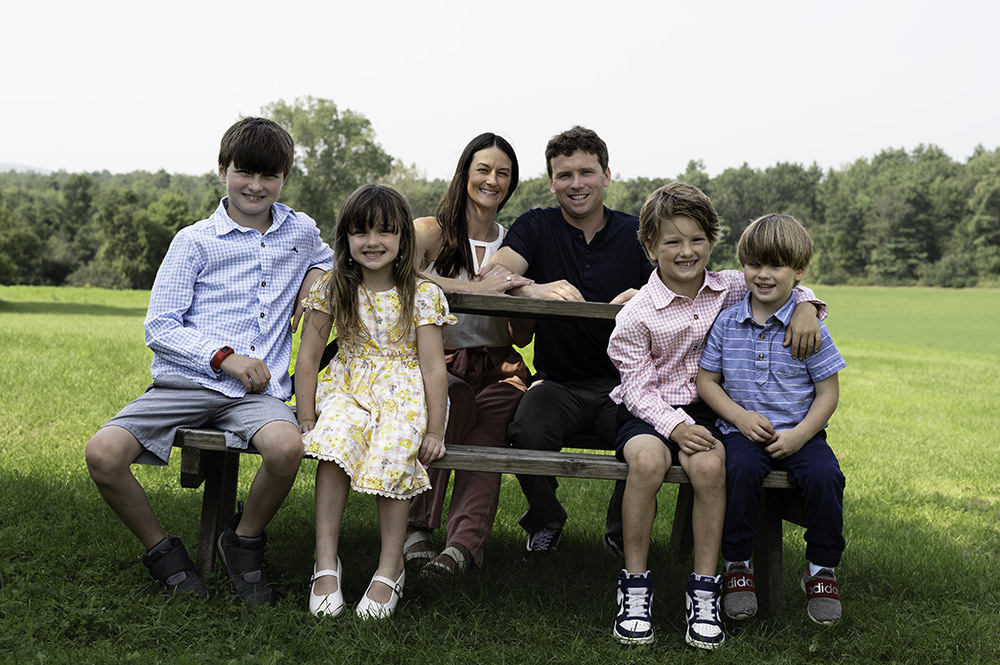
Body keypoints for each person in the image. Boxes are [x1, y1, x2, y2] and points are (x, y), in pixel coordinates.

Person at [85, 117, 333, 605]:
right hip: (188, 383)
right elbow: (160, 326)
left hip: (258, 395)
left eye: (270, 176)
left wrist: (315, 277)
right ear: (223, 170)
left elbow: (327, 258)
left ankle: (242, 541)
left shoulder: (300, 230)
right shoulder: (194, 241)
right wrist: (224, 358)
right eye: (245, 173)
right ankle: (164, 553)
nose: (256, 186)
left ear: (284, 177)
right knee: (103, 455)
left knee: (287, 450)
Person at [607, 184, 826, 649]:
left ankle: (705, 588)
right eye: (672, 241)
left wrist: (808, 304)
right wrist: (676, 427)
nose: (687, 252)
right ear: (649, 247)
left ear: (711, 239)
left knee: (710, 466)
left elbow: (777, 281)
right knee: (646, 463)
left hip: (708, 410)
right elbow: (636, 390)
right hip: (648, 412)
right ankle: (635, 585)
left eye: (697, 240)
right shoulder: (635, 315)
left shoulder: (727, 286)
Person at [484, 126, 651, 556]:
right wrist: (533, 289)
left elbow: (686, 285)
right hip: (557, 382)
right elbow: (493, 275)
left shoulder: (637, 235)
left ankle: (620, 528)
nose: (575, 184)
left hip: (625, 386)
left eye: (586, 172)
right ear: (551, 181)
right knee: (526, 426)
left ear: (607, 175)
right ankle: (546, 518)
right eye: (564, 175)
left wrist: (647, 297)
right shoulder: (536, 226)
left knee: (647, 435)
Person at [294, 184, 454, 620]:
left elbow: (434, 369)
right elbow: (308, 357)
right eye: (360, 232)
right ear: (345, 238)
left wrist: (436, 429)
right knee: (335, 441)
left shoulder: (421, 294)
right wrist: (307, 415)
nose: (372, 242)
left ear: (403, 238)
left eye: (385, 232)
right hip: (349, 385)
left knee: (395, 446)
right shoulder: (333, 288)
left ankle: (390, 568)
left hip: (403, 389)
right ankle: (325, 563)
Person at [696, 213, 846, 627]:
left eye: (776, 266)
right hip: (741, 431)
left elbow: (828, 393)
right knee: (739, 469)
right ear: (743, 264)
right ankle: (738, 565)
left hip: (800, 433)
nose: (763, 275)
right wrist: (740, 418)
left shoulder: (810, 328)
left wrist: (799, 436)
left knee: (826, 478)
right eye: (754, 264)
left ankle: (821, 569)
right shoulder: (727, 322)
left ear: (798, 272)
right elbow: (707, 381)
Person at [402, 133, 533, 575]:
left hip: (498, 365)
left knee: (491, 428)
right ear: (464, 174)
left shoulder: (515, 244)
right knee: (449, 405)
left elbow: (520, 334)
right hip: (439, 358)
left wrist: (523, 294)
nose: (492, 180)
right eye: (484, 169)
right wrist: (474, 289)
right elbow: (404, 275)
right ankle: (416, 526)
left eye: (503, 173)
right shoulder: (429, 231)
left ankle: (461, 546)